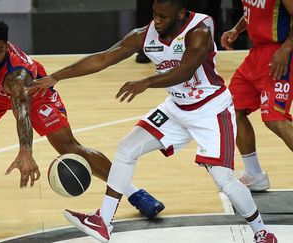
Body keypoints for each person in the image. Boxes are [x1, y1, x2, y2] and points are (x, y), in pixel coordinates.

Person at [30, 1, 277, 242]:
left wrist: (146, 82)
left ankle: (261, 232)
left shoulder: (201, 28)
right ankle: (103, 222)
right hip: (176, 108)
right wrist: (56, 77)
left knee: (224, 179)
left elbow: (186, 70)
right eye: (154, 14)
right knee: (126, 148)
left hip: (211, 110)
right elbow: (102, 59)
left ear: (180, 14)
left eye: (163, 16)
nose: (157, 21)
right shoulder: (144, 35)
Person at [0, 19, 165, 219]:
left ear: (7, 46)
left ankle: (133, 192)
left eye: (0, 51)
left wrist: (25, 150)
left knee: (71, 149)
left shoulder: (17, 74)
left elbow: (22, 108)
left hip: (35, 93)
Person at [221, 0, 293, 192]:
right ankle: (254, 175)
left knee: (275, 119)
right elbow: (254, 12)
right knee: (230, 109)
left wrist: (287, 48)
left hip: (280, 53)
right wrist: (237, 29)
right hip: (257, 53)